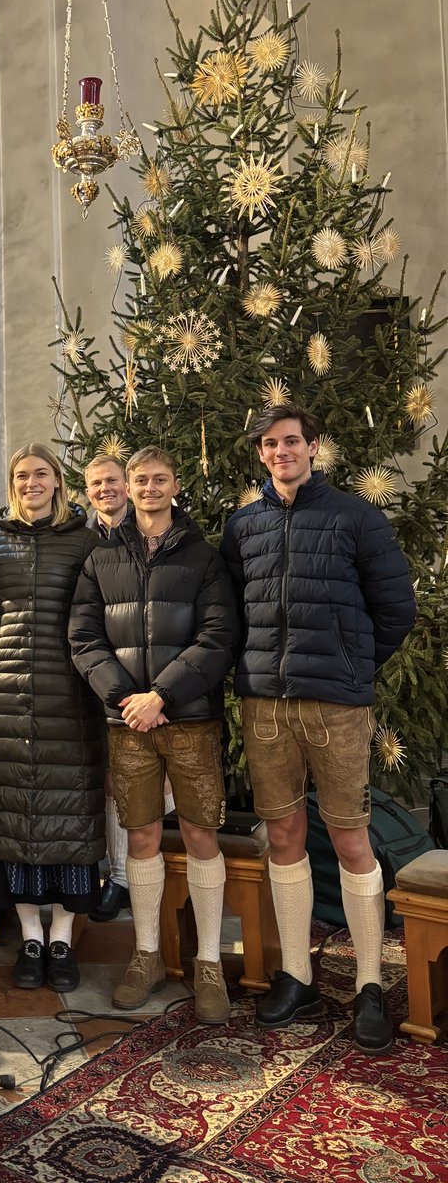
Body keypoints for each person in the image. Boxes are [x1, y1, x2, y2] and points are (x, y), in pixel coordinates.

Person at [221, 403, 416, 1053]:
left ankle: (368, 983)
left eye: (292, 441)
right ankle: (297, 976)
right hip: (265, 706)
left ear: (313, 447)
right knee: (283, 836)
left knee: (352, 839)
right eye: (270, 444)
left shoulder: (355, 517)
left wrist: (350, 667)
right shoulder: (243, 526)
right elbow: (232, 613)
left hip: (337, 706)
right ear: (261, 453)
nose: (282, 452)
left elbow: (396, 608)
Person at [69, 446, 239, 1023]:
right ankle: (145, 956)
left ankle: (208, 962)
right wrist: (126, 700)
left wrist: (162, 695)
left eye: (158, 479)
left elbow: (218, 636)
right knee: (140, 835)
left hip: (189, 717)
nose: (148, 488)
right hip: (128, 722)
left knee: (199, 833)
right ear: (128, 486)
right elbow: (84, 639)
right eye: (139, 479)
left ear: (175, 485)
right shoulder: (100, 558)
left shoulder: (203, 556)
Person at [0, 443, 105, 993]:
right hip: (3, 695)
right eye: (22, 475)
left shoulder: (85, 542)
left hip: (69, 693)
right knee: (12, 818)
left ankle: (62, 939)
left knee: (70, 815)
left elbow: (93, 616)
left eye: (41, 474)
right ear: (11, 483)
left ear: (58, 481)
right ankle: (30, 937)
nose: (31, 483)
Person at [81, 454, 143, 924]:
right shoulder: (82, 538)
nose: (106, 489)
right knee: (102, 775)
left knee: (133, 776)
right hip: (91, 671)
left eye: (113, 481)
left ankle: (129, 873)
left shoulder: (149, 531)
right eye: (96, 483)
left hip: (140, 673)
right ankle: (109, 871)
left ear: (128, 486)